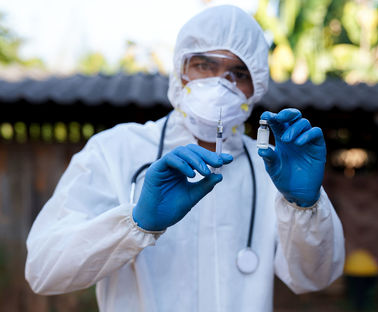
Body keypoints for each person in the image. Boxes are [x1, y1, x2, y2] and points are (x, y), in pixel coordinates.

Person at [25, 5, 344, 312]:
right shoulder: (116, 151)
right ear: (180, 72)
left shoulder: (271, 168)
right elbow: (44, 270)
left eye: (238, 72)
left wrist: (304, 207)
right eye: (204, 65)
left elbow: (314, 278)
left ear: (256, 86)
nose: (220, 83)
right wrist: (135, 224)